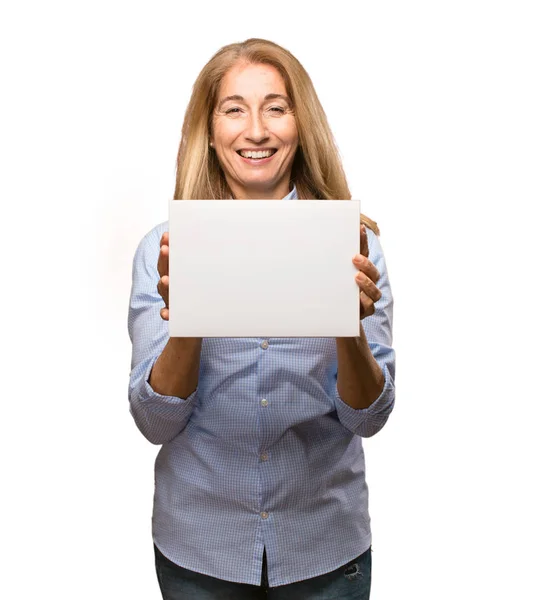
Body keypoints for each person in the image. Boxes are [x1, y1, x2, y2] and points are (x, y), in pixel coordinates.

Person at [128, 38, 395, 600]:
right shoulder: (163, 250)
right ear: (209, 127)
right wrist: (192, 316)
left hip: (324, 547)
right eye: (234, 109)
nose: (256, 130)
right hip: (202, 548)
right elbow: (154, 425)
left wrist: (347, 327)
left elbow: (368, 419)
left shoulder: (355, 245)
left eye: (276, 107)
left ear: (301, 123)